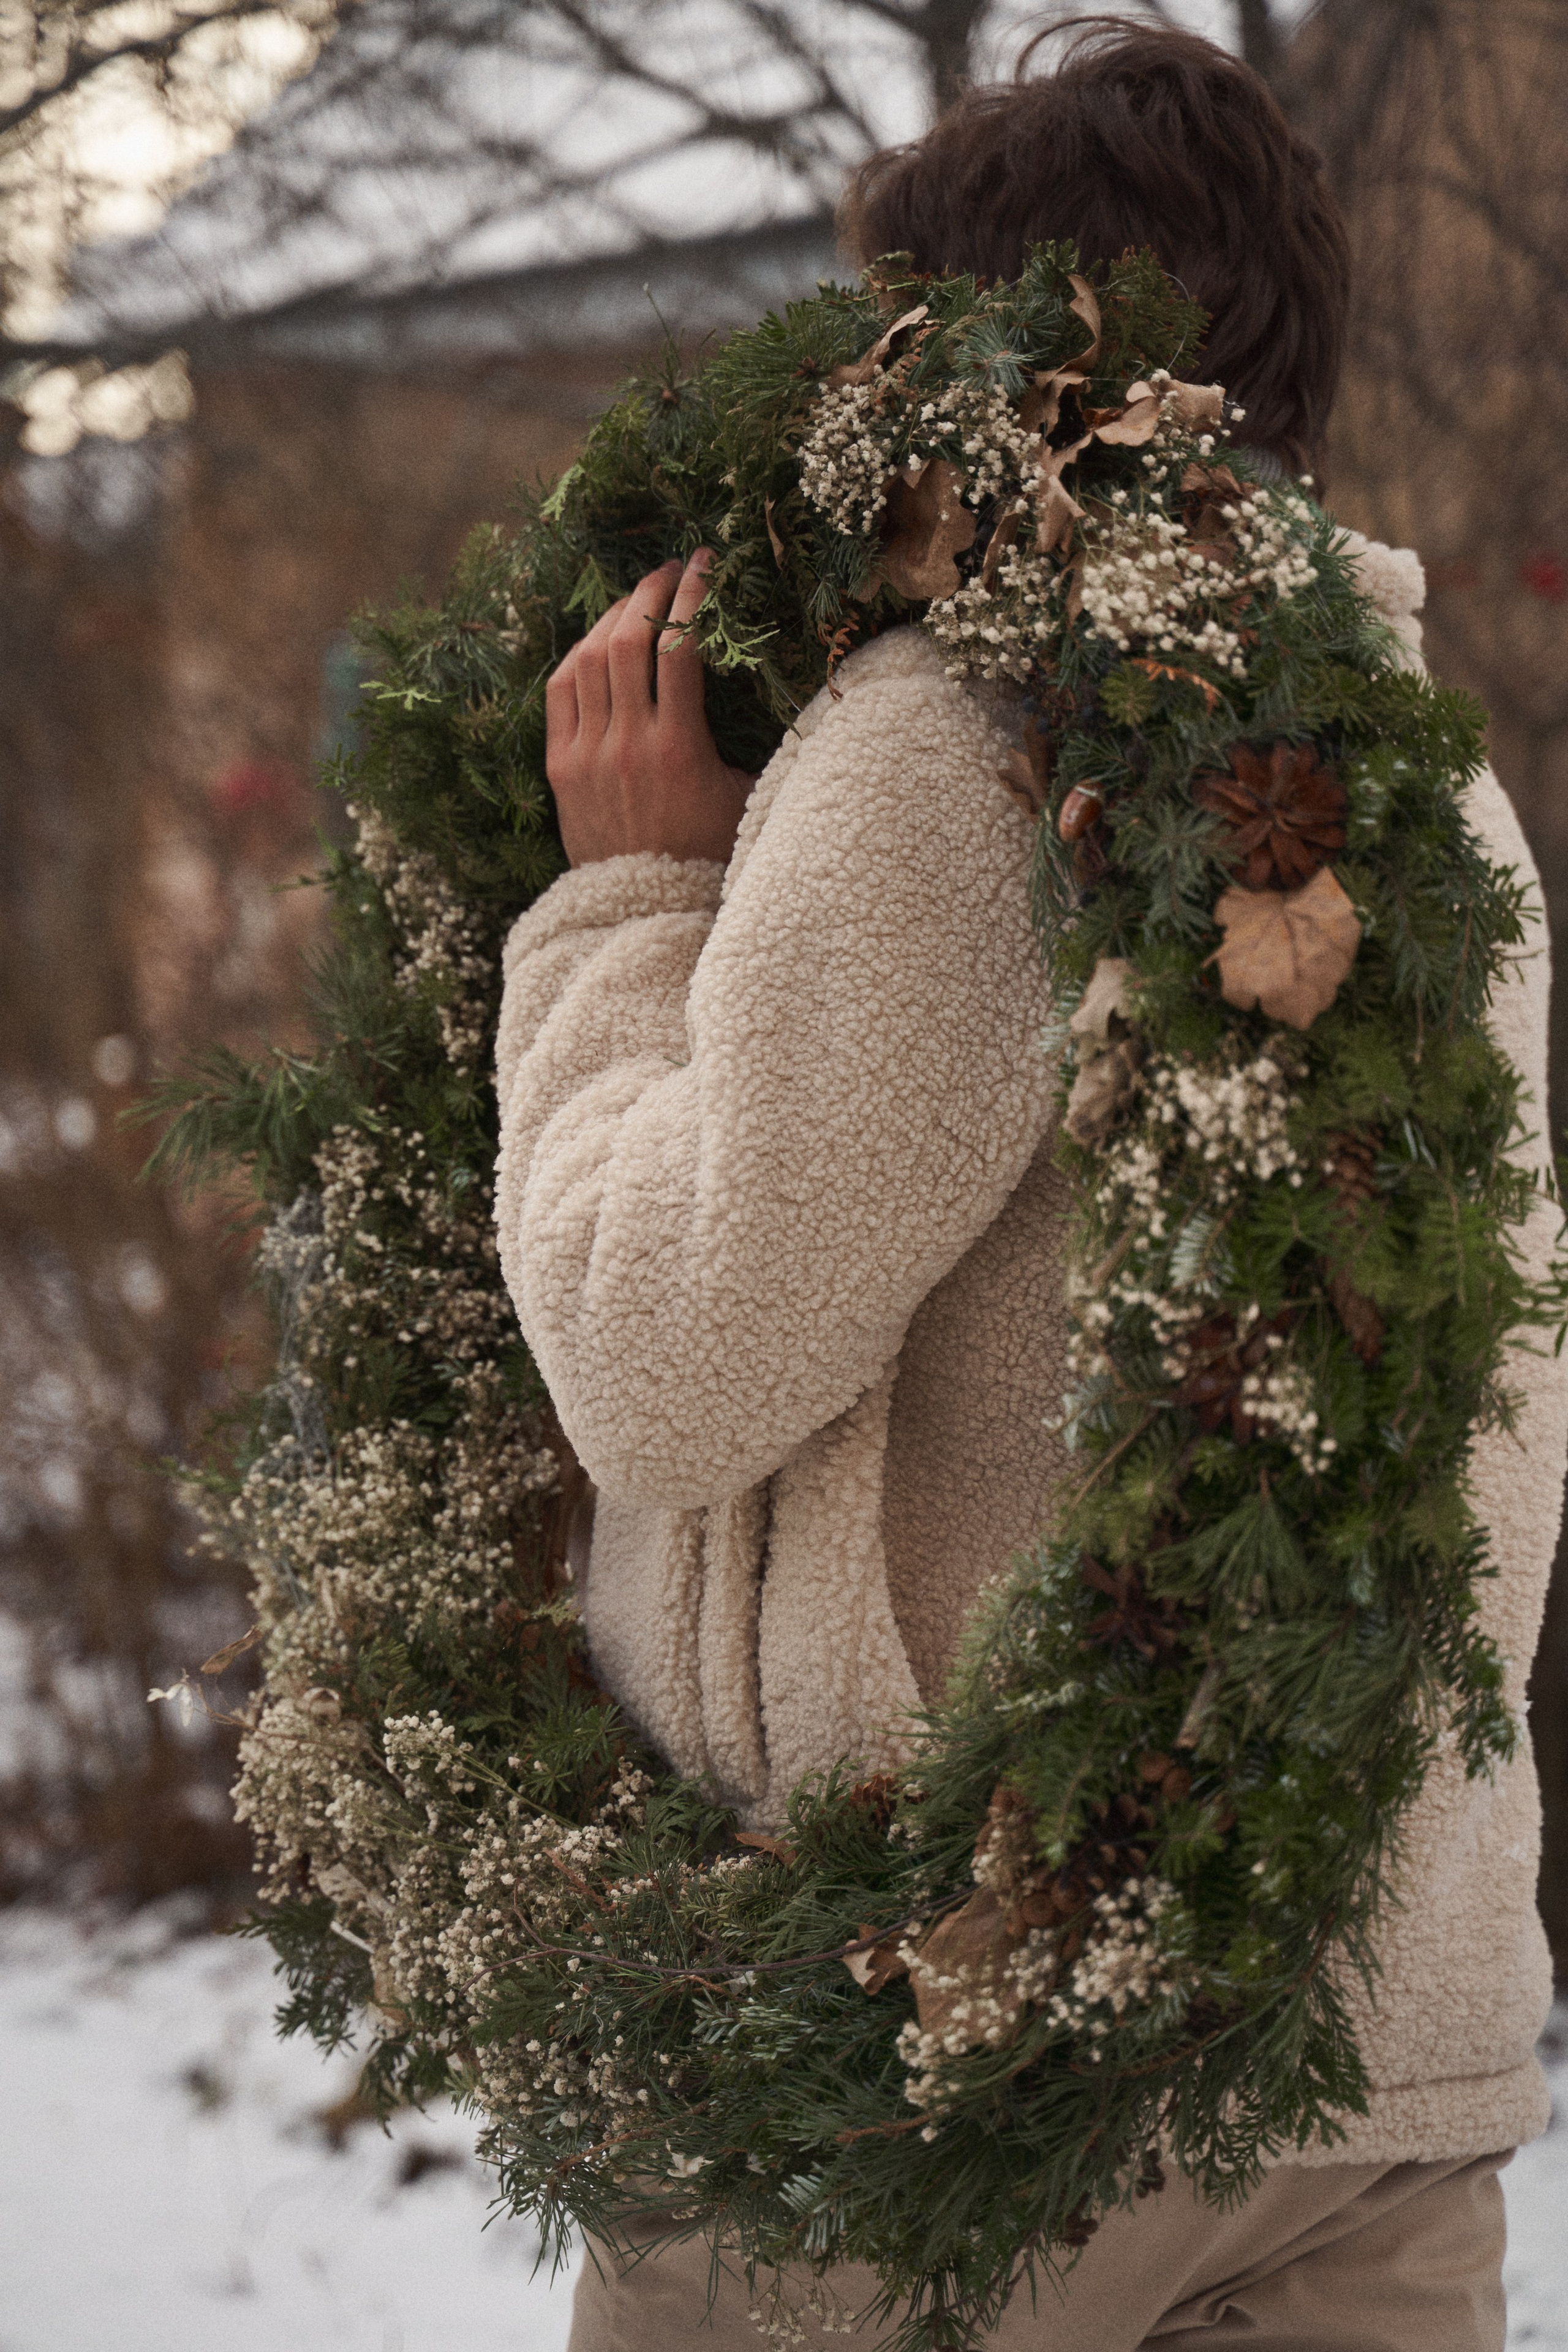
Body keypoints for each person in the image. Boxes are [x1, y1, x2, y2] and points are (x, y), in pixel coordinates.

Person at [491, 20, 1567, 2349]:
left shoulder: (967, 740)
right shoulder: (1425, 795)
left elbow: (667, 1361)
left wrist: (622, 914)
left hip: (970, 2117)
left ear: (987, 356)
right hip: (1365, 2069)